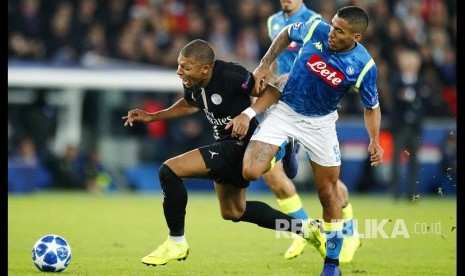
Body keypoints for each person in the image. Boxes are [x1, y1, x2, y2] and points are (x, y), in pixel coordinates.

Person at [122, 39, 326, 267]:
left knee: (169, 170)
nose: (180, 71)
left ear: (206, 68)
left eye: (186, 67)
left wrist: (247, 114)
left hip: (242, 145)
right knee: (233, 211)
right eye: (180, 65)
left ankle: (176, 242)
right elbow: (191, 104)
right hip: (225, 143)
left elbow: (271, 93)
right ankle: (306, 228)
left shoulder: (232, 75)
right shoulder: (192, 80)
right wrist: (153, 116)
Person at [240, 6, 384, 276]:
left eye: (340, 31)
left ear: (356, 37)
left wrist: (374, 140)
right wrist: (264, 64)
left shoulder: (364, 66)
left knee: (328, 195)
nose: (332, 32)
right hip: (285, 110)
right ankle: (286, 147)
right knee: (250, 170)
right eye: (333, 25)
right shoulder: (316, 29)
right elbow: (286, 34)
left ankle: (332, 264)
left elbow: (372, 106)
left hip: (321, 124)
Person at [263, 0, 360, 261]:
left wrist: (294, 76)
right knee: (269, 173)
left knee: (327, 181)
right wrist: (270, 78)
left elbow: (326, 60)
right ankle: (304, 229)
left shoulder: (316, 20)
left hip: (313, 105)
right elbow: (276, 58)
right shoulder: (273, 21)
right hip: (283, 101)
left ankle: (350, 232)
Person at [389, 48, 429, 200]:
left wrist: (410, 96)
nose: (410, 66)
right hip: (400, 127)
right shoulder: (396, 80)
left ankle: (412, 193)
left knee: (414, 162)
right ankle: (395, 193)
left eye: (413, 63)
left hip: (415, 127)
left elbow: (427, 100)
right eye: (407, 63)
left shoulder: (421, 81)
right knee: (396, 162)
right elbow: (395, 99)